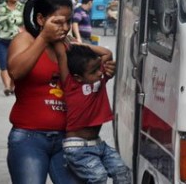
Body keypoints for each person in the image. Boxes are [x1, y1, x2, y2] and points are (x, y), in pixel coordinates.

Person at [5, 0, 81, 184]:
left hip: (67, 138)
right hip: (29, 137)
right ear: (41, 19)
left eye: (68, 22)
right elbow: (16, 72)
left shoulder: (68, 46)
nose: (64, 28)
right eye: (57, 22)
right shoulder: (25, 40)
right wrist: (44, 38)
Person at [54, 43, 131, 183]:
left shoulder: (99, 79)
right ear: (78, 77)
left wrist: (78, 44)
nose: (100, 72)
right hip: (77, 148)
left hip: (98, 144)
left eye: (98, 68)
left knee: (121, 171)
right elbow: (61, 54)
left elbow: (106, 53)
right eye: (94, 71)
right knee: (98, 176)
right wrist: (64, 43)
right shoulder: (71, 85)